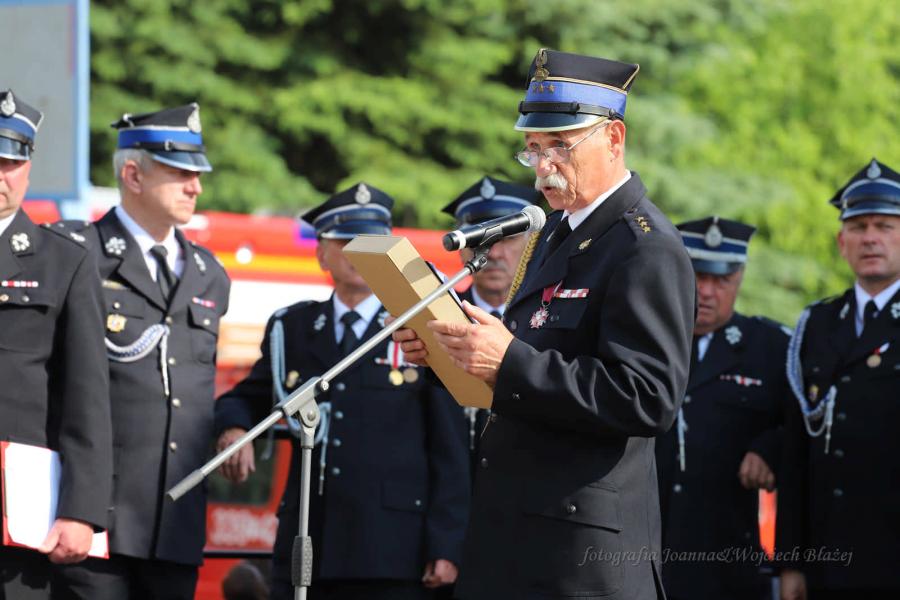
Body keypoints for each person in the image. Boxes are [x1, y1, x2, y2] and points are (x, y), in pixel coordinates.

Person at [395, 48, 695, 598]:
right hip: (514, 541)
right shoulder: (552, 233)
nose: (542, 166)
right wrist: (450, 352)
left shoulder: (644, 248)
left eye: (560, 145)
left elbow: (648, 397)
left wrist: (509, 360)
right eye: (533, 148)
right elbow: (525, 365)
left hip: (582, 560)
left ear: (614, 139)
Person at [214, 183, 470, 600]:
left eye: (371, 244)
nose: (358, 253)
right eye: (346, 241)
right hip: (308, 540)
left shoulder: (418, 325)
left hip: (390, 549)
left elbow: (449, 445)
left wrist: (446, 544)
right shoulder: (294, 328)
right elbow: (248, 396)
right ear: (321, 254)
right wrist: (234, 428)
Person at [53, 104, 231, 600]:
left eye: (197, 175)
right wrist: (76, 508)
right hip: (95, 518)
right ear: (133, 175)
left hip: (174, 524)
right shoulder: (77, 253)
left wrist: (233, 423)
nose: (195, 187)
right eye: (180, 174)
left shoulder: (209, 274)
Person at [0, 89, 111, 599]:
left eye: (11, 162)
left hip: (15, 521)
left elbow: (87, 397)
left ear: (28, 168)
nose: (1, 175)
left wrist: (80, 511)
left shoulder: (63, 262)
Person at [777, 158, 900, 600]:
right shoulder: (818, 324)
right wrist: (791, 561)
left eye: (885, 226)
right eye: (859, 227)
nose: (870, 238)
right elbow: (796, 451)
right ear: (841, 242)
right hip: (829, 560)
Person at [655, 216, 788, 600]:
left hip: (728, 557)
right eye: (698, 277)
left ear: (739, 279)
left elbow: (801, 426)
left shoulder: (770, 348)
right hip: (644, 551)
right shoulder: (647, 339)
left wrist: (770, 448)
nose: (707, 292)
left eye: (722, 280)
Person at [440, 176, 539, 463]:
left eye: (507, 238)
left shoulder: (548, 320)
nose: (493, 252)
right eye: (479, 239)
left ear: (531, 244)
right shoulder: (439, 315)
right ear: (461, 248)